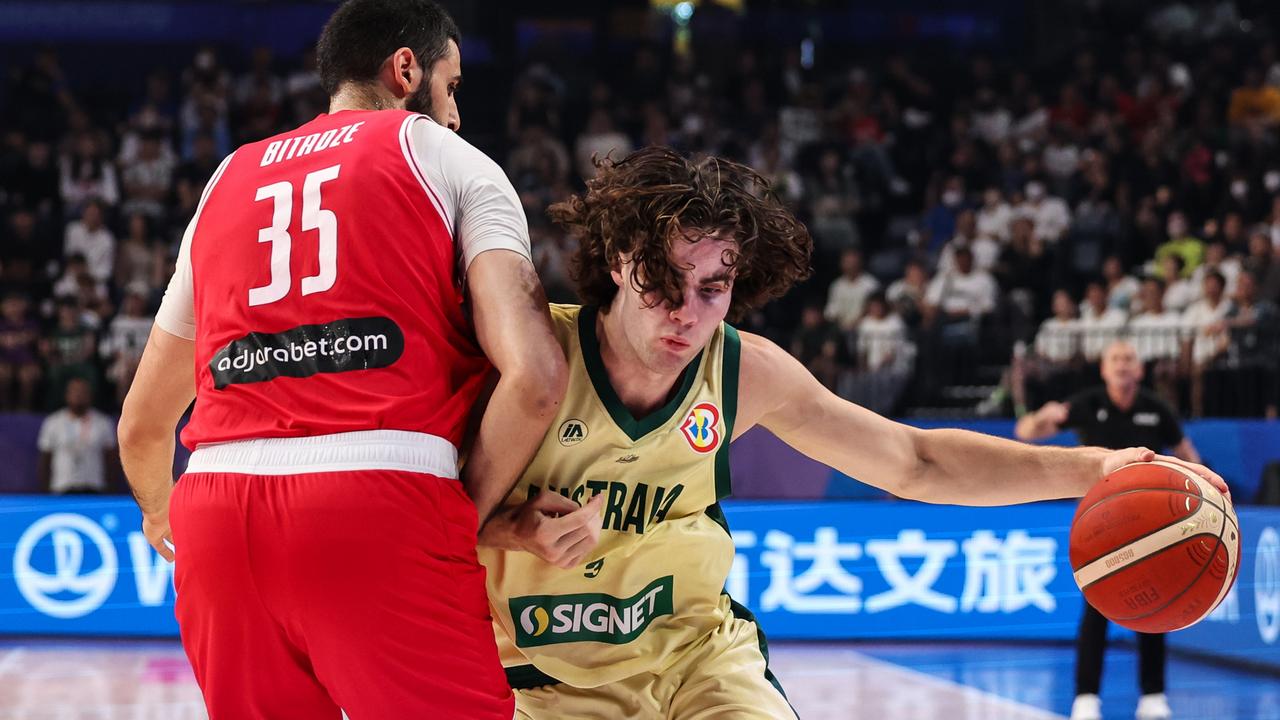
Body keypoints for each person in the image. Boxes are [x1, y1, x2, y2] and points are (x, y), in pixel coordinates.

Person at [475, 148, 1225, 720]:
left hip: (695, 661)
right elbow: (406, 505)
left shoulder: (745, 373)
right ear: (616, 260)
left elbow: (916, 460)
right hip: (545, 682)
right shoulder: (533, 361)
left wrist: (1094, 468)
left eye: (713, 288)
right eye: (664, 282)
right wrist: (507, 528)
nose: (685, 312)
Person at [117, 1, 566, 718]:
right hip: (382, 495)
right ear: (407, 69)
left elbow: (142, 425)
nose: (453, 114)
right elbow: (537, 379)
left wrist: (157, 510)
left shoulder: (226, 179)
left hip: (215, 511)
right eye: (450, 88)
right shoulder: (448, 157)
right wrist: (465, 515)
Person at [1015, 339, 1203, 720]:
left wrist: (1203, 487)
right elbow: (1025, 432)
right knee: (1096, 605)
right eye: (1115, 359)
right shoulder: (1087, 403)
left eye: (1129, 359)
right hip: (1102, 526)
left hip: (1153, 526)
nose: (1122, 364)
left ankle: (1153, 696)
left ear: (1140, 369)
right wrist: (1040, 418)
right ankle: (1086, 697)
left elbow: (1187, 453)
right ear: (1103, 369)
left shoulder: (1155, 408)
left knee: (1157, 603)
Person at [38, 377, 117, 494]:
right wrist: (44, 492)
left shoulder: (103, 423)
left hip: (94, 489)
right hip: (61, 489)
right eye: (75, 391)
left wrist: (110, 491)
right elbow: (45, 460)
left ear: (90, 395)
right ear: (66, 395)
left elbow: (111, 461)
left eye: (83, 392)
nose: (79, 395)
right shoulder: (53, 422)